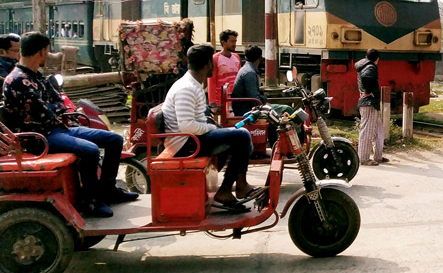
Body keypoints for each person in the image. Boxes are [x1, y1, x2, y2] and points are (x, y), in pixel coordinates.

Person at [1, 32, 137, 218]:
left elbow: (59, 103)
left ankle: (108, 189)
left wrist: (54, 109)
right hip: (39, 138)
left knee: (114, 139)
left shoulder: (36, 76)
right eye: (47, 51)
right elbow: (45, 114)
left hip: (57, 129)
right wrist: (55, 109)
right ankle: (90, 201)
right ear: (42, 51)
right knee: (90, 150)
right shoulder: (17, 80)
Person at [164, 44, 258, 211]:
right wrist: (212, 128)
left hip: (190, 139)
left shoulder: (193, 84)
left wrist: (213, 127)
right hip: (186, 143)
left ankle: (236, 186)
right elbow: (186, 125)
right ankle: (231, 189)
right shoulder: (187, 88)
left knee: (238, 136)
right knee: (242, 136)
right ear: (208, 64)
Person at [356, 48, 388, 166]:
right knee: (367, 131)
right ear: (377, 59)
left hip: (369, 103)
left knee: (378, 130)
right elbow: (366, 77)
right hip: (369, 103)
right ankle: (364, 158)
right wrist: (368, 91)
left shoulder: (363, 65)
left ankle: (378, 156)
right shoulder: (371, 67)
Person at [208, 29, 242, 106]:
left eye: (235, 41)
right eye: (232, 41)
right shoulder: (215, 58)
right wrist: (212, 102)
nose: (234, 44)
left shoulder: (236, 57)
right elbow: (211, 81)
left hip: (235, 99)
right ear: (223, 42)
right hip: (221, 100)